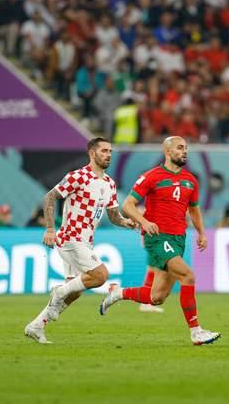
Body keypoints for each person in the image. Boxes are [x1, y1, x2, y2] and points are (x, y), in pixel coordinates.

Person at [98, 136, 221, 346]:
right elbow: (127, 205)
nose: (184, 151)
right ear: (168, 151)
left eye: (186, 148)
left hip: (178, 239)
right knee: (188, 276)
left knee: (157, 297)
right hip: (157, 238)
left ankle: (118, 293)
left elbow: (194, 209)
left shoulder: (191, 180)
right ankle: (196, 332)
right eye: (180, 148)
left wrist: (201, 233)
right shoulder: (151, 176)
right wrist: (144, 222)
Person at [24, 137, 135, 344]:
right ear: (92, 153)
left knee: (74, 292)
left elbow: (113, 216)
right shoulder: (78, 176)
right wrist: (50, 229)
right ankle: (58, 292)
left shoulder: (109, 184)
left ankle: (37, 325)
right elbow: (49, 197)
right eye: (103, 151)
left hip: (85, 241)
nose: (108, 155)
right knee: (100, 276)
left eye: (110, 151)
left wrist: (126, 222)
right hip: (71, 237)